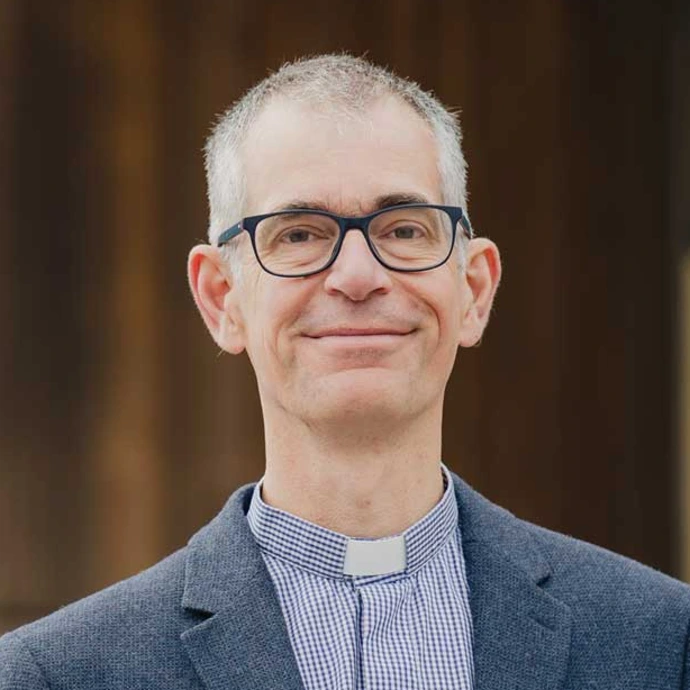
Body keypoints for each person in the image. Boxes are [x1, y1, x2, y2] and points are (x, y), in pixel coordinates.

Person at [1, 53, 689, 690]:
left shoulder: (661, 642)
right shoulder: (57, 675)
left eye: (404, 229)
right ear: (221, 298)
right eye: (299, 234)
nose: (357, 276)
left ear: (474, 290)